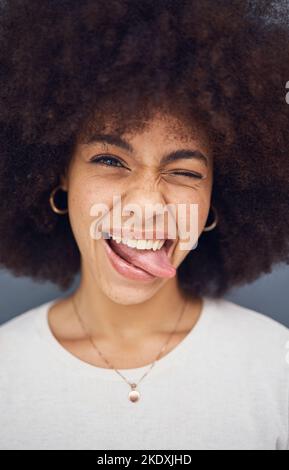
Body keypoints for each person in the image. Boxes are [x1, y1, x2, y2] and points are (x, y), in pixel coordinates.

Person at [0, 0, 288, 450]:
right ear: (60, 175)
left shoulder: (276, 365)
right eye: (111, 160)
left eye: (186, 172)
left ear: (217, 196)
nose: (147, 206)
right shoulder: (6, 372)